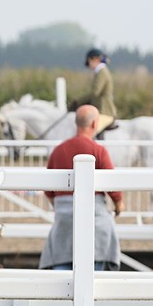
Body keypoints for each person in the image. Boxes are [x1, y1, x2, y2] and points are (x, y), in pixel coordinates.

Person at [39, 105, 124, 271]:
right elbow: (112, 186)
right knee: (95, 266)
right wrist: (119, 204)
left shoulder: (58, 151)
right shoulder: (98, 151)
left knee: (62, 271)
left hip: (64, 218)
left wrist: (61, 207)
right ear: (94, 124)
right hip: (94, 218)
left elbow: (49, 191)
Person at [68, 48, 116, 135]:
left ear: (95, 59)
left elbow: (95, 92)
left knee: (88, 132)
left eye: (89, 61)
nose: (89, 65)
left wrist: (78, 102)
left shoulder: (102, 72)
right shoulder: (100, 72)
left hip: (104, 111)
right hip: (99, 109)